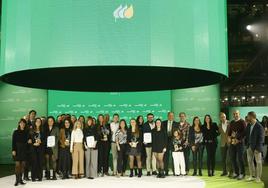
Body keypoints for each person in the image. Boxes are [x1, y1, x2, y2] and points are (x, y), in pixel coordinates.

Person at [245, 111, 265, 183]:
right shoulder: (248, 125)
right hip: (249, 146)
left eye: (248, 116)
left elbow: (261, 138)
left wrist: (258, 148)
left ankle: (258, 177)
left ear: (252, 117)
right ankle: (252, 176)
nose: (247, 118)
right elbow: (246, 135)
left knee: (258, 162)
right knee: (250, 161)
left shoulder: (259, 126)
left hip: (257, 148)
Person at [228, 110, 246, 180]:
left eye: (236, 114)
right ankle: (236, 172)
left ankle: (242, 173)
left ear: (239, 114)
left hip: (240, 143)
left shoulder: (242, 122)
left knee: (240, 158)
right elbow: (229, 132)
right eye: (234, 114)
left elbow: (245, 133)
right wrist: (229, 138)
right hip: (232, 143)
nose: (235, 115)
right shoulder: (232, 122)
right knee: (233, 158)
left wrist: (238, 140)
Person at [12, 119, 28, 186]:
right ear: (19, 124)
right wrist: (13, 150)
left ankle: (21, 180)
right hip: (17, 149)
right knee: (17, 165)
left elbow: (28, 140)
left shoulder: (27, 132)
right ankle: (16, 180)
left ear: (25, 124)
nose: (22, 124)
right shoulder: (15, 132)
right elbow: (13, 142)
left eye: (24, 123)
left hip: (24, 150)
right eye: (21, 123)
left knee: (22, 166)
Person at [218, 112, 232, 177]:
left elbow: (233, 132)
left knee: (231, 158)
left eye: (224, 117)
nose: (223, 118)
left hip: (230, 143)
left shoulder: (230, 123)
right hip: (223, 143)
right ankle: (224, 172)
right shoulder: (219, 125)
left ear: (225, 117)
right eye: (221, 117)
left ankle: (231, 172)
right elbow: (219, 133)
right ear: (220, 118)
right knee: (223, 159)